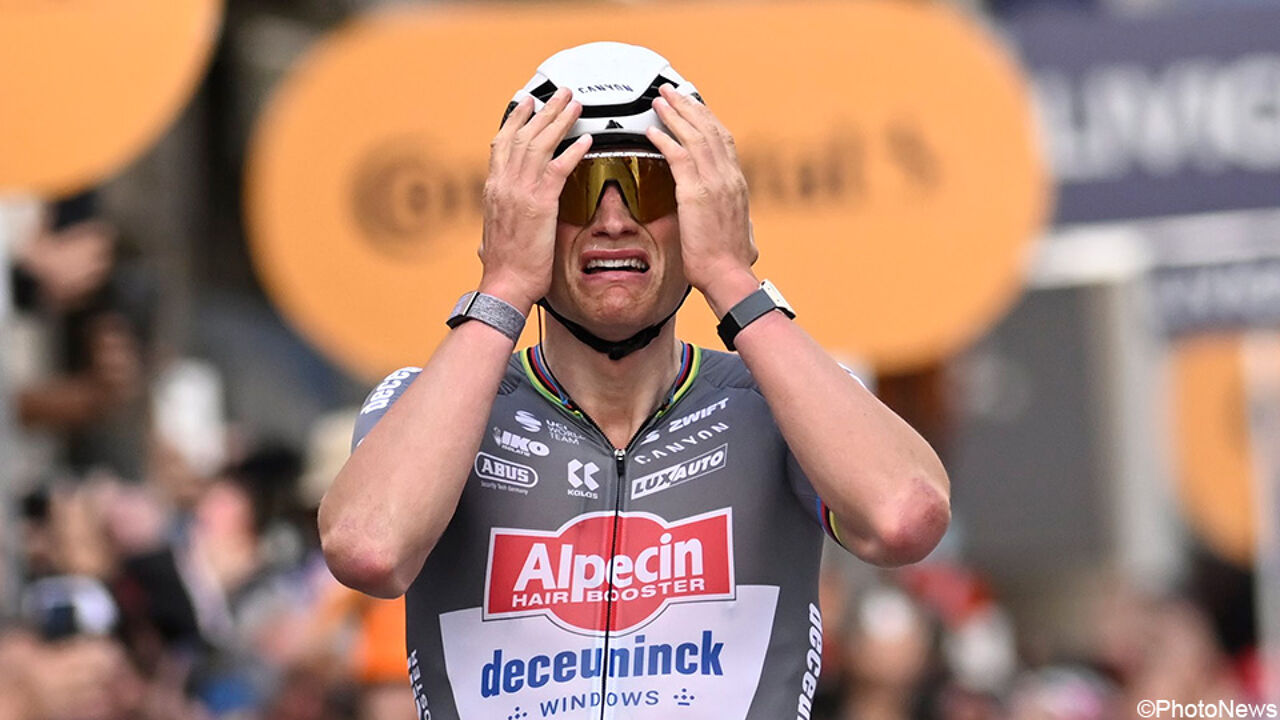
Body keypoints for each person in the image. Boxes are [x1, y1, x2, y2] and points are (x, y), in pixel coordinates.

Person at [319, 41, 950, 719]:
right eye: (575, 189)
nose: (614, 222)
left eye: (650, 186)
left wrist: (733, 277)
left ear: (705, 207)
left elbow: (904, 518)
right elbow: (369, 549)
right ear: (516, 214)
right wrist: (501, 285)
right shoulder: (426, 403)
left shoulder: (775, 401)